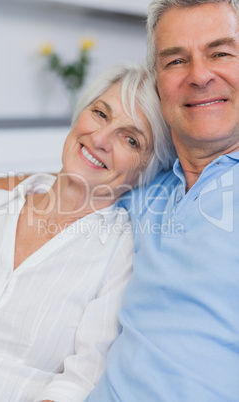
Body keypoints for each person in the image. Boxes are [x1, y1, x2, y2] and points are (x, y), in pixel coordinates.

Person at [0, 63, 175, 402]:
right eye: (100, 114)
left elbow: (80, 380)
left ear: (145, 169)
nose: (99, 139)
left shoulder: (120, 254)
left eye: (130, 139)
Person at [85, 1, 239, 401]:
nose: (199, 76)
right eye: (175, 61)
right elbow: (57, 191)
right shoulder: (141, 189)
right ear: (157, 82)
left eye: (220, 53)